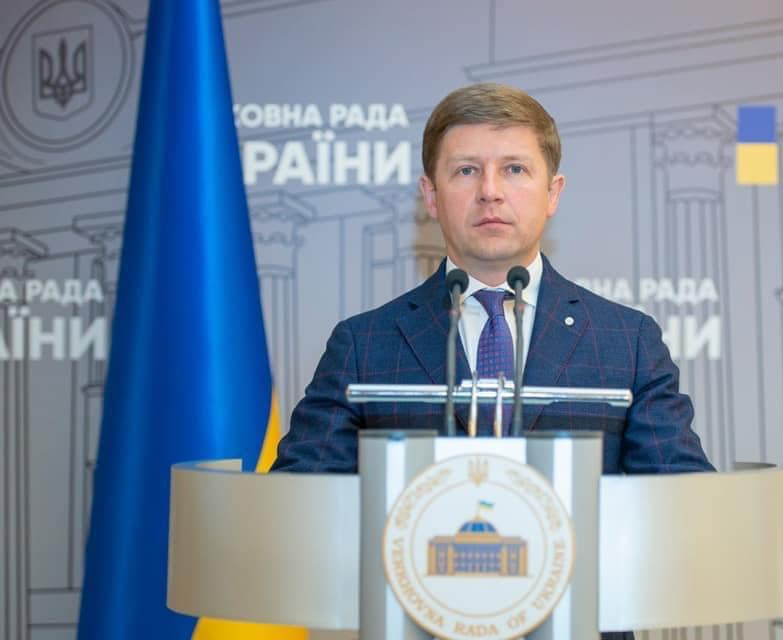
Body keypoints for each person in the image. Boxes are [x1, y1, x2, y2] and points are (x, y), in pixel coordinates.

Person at [273, 83, 713, 638]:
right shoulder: (364, 344)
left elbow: (684, 507)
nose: (490, 192)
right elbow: (295, 513)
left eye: (514, 170)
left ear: (553, 192)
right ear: (430, 195)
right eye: (466, 171)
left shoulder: (626, 340)